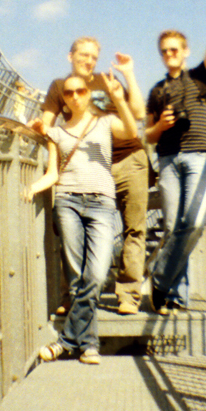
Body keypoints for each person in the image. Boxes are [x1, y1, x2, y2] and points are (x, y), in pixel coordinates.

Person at [24, 71, 138, 365]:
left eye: (80, 91)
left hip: (101, 203)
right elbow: (52, 172)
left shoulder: (103, 122)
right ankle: (89, 345)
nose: (75, 96)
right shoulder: (57, 133)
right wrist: (34, 186)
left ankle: (64, 342)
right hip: (68, 202)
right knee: (76, 279)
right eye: (69, 92)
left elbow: (131, 131)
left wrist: (117, 97)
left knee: (97, 275)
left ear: (89, 94)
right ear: (63, 98)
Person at [36, 39, 149, 315]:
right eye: (83, 55)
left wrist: (129, 74)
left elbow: (138, 114)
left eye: (93, 57)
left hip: (128, 159)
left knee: (134, 227)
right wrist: (35, 126)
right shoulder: (60, 87)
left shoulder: (106, 80)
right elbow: (47, 123)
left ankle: (128, 295)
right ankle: (72, 296)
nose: (89, 60)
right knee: (76, 232)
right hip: (90, 166)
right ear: (70, 55)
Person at [145, 0, 206, 314]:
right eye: (165, 51)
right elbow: (147, 136)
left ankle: (160, 280)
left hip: (199, 157)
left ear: (185, 50)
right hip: (167, 159)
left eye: (175, 50)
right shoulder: (156, 91)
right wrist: (161, 126)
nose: (170, 55)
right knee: (173, 227)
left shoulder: (200, 78)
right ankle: (174, 297)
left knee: (194, 223)